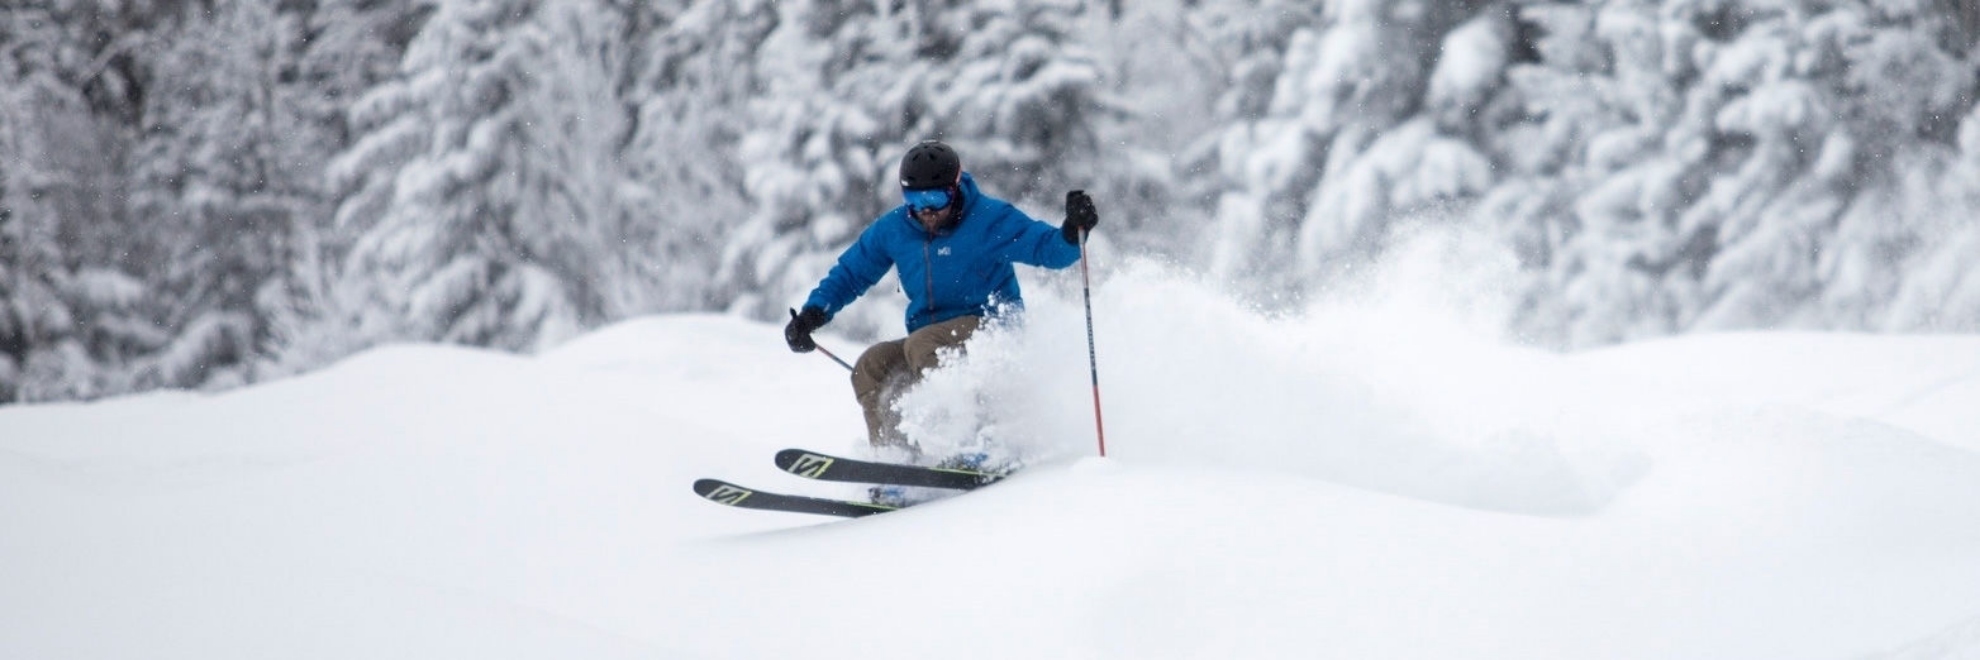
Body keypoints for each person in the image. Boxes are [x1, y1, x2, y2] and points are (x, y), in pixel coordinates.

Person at [784, 139, 1099, 455]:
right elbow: (851, 273)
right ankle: (896, 461)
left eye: (936, 198)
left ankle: (973, 437)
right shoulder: (895, 229)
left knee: (922, 343)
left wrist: (1072, 231)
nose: (926, 210)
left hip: (991, 332)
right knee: (871, 365)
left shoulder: (990, 219)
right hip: (929, 343)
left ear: (955, 188)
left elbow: (1049, 250)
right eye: (914, 199)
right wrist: (813, 314)